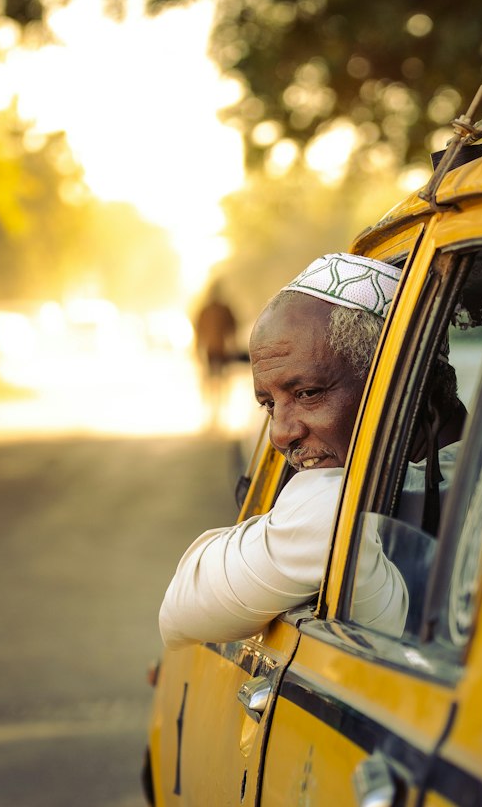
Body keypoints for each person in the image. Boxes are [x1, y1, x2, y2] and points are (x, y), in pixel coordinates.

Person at [159, 252, 465, 650]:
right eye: (268, 405)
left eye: (307, 394)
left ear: (407, 387)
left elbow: (179, 612)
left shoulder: (331, 509)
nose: (279, 434)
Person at [192, 282, 238, 427]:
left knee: (216, 382)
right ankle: (214, 415)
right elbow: (232, 330)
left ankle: (216, 415)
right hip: (217, 351)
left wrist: (198, 350)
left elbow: (199, 332)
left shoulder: (208, 310)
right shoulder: (221, 309)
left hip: (214, 351)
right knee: (217, 382)